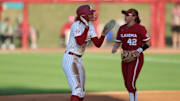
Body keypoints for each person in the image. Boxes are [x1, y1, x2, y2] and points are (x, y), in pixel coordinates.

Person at [62, 4, 109, 101]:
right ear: (83, 16)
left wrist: (103, 34)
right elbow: (79, 42)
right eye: (90, 13)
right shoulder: (76, 25)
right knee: (77, 90)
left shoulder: (90, 26)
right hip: (70, 58)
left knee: (82, 92)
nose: (93, 15)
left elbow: (97, 44)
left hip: (78, 59)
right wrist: (86, 28)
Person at [112, 8, 151, 101]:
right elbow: (118, 42)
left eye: (127, 15)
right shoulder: (122, 28)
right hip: (125, 57)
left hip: (136, 57)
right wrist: (115, 48)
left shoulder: (140, 28)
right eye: (125, 15)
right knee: (126, 83)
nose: (125, 17)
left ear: (134, 17)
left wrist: (139, 50)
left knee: (130, 83)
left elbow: (149, 43)